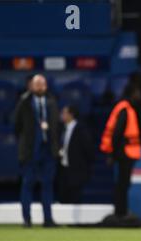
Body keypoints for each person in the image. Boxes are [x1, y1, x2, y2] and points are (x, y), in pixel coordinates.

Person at [14, 74, 60, 228]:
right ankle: (27, 220)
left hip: (48, 151)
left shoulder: (52, 102)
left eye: (42, 83)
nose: (40, 86)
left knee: (48, 185)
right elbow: (16, 126)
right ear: (31, 86)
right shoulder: (24, 102)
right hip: (30, 152)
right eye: (37, 84)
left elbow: (56, 127)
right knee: (27, 184)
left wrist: (56, 147)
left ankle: (48, 219)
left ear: (46, 86)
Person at [100, 81, 141, 220]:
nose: (139, 95)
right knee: (122, 183)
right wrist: (112, 153)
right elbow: (117, 133)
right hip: (124, 152)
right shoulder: (124, 109)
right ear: (132, 93)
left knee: (123, 183)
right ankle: (121, 212)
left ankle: (121, 211)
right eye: (137, 92)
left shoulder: (126, 108)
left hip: (125, 151)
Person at [57, 105, 95, 204]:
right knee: (63, 197)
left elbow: (88, 149)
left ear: (71, 115)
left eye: (64, 113)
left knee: (75, 198)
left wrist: (84, 166)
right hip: (63, 169)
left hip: (76, 170)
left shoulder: (81, 129)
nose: (61, 115)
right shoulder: (61, 129)